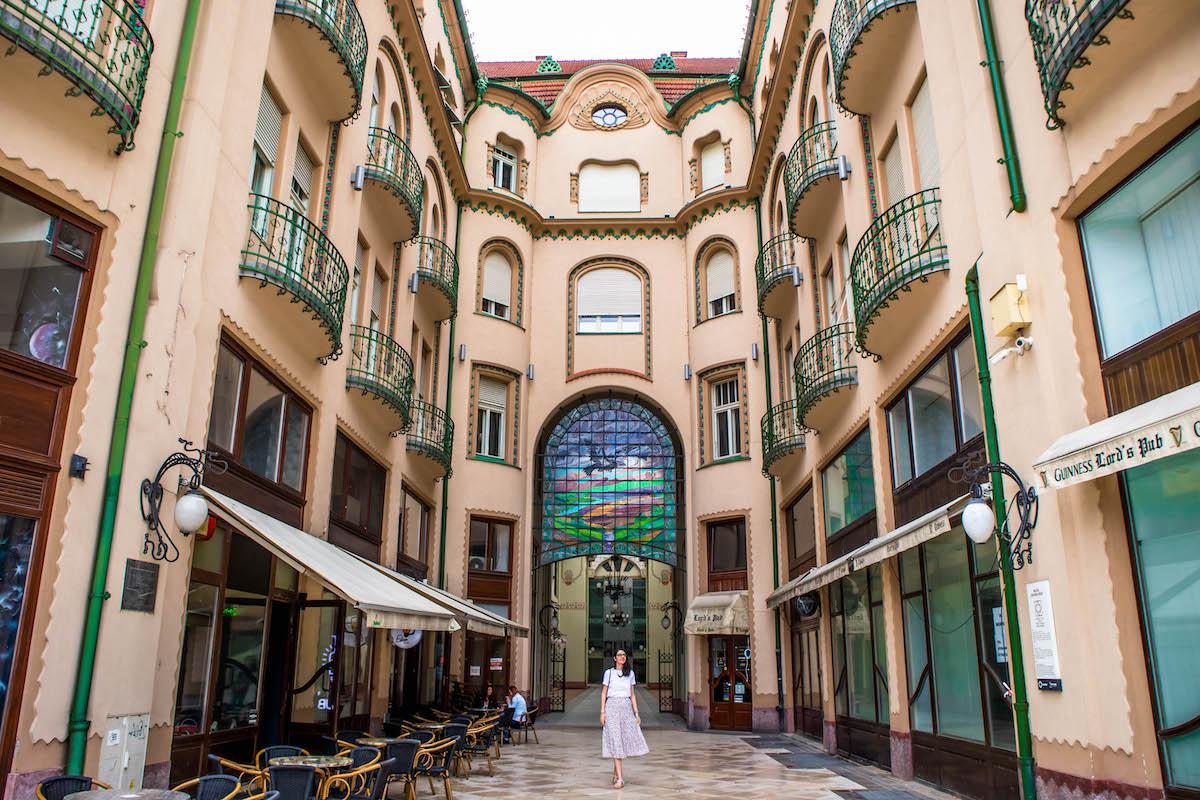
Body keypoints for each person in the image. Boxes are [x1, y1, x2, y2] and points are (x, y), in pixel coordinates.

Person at [600, 649, 648, 788]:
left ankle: (616, 774)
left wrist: (636, 713)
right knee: (615, 739)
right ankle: (620, 778)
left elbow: (632, 695)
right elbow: (603, 693)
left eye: (624, 655)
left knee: (622, 740)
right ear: (615, 658)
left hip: (626, 707)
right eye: (619, 655)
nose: (622, 657)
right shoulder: (609, 673)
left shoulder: (630, 674)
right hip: (612, 707)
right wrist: (602, 712)